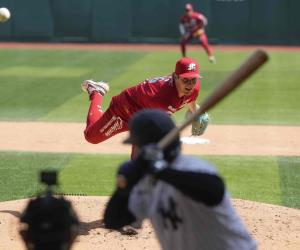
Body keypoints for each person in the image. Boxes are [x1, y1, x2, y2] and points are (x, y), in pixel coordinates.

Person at [104, 109, 257, 250]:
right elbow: (113, 220)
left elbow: (214, 191)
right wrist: (123, 187)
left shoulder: (193, 167)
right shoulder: (144, 183)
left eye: (137, 144)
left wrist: (161, 171)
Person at [82, 57, 209, 159]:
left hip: (145, 112)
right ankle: (96, 92)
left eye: (193, 79)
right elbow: (153, 124)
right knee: (91, 137)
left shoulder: (194, 88)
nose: (190, 84)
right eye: (185, 80)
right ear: (175, 76)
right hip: (124, 110)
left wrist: (195, 111)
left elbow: (191, 99)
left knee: (143, 156)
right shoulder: (159, 97)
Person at [19, 171, 79, 250]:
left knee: (23, 229)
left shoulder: (34, 204)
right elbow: (75, 224)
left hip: (37, 244)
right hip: (59, 245)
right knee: (74, 230)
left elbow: (22, 224)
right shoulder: (63, 204)